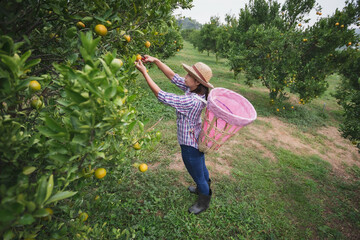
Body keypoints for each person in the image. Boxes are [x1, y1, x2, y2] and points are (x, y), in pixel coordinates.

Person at [135, 55, 214, 215]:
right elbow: (172, 76)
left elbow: (162, 96)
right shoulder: (194, 91)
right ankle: (202, 187)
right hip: (195, 138)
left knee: (197, 172)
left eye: (188, 76)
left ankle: (204, 201)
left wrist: (145, 73)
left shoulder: (192, 101)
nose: (184, 77)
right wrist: (156, 60)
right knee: (201, 168)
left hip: (190, 145)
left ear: (197, 82)